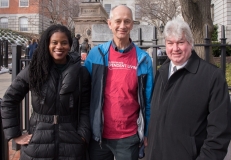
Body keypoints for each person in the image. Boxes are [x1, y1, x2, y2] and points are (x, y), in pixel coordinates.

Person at [1, 24, 91, 159]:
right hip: (37, 143)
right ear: (47, 44)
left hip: (71, 143)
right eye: (54, 42)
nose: (59, 47)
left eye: (64, 43)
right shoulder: (34, 70)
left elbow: (86, 107)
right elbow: (9, 100)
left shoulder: (80, 72)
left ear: (70, 45)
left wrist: (83, 135)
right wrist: (15, 134)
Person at [146, 18, 231, 160]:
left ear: (190, 43)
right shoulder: (162, 72)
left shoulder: (212, 77)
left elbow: (219, 133)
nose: (175, 48)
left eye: (180, 42)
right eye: (170, 43)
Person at [84, 5, 153, 160]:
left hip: (128, 137)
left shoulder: (143, 59)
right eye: (118, 21)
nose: (122, 26)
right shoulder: (96, 55)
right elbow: (84, 94)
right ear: (110, 23)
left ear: (132, 24)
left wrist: (147, 131)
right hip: (98, 136)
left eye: (127, 21)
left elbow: (148, 101)